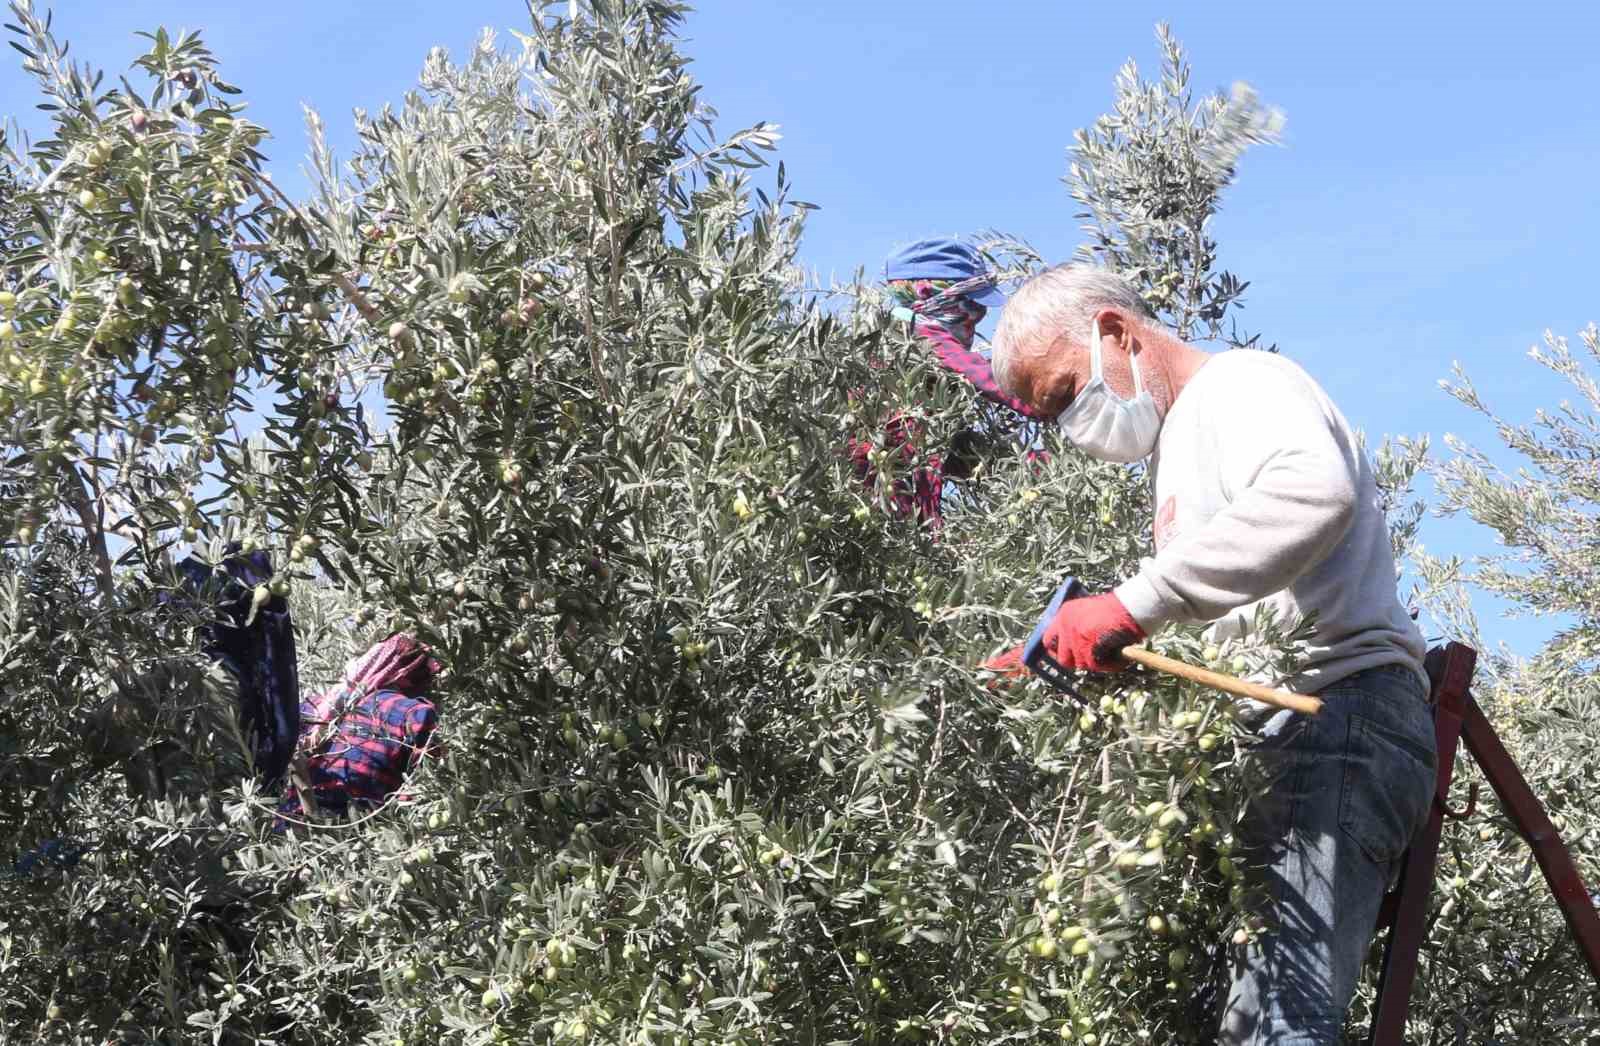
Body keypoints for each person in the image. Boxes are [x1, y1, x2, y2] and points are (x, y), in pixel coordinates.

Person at [984, 262, 1436, 1045]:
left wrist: (1132, 605)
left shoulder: (1240, 385)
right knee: (1254, 1025)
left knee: (1284, 1026)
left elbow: (1312, 492)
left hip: (1336, 716)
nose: (1069, 425)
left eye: (1063, 395)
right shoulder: (1181, 442)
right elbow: (1228, 614)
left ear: (1116, 333)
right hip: (1294, 738)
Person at [852, 238, 1051, 524]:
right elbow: (995, 382)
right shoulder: (916, 339)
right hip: (874, 521)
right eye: (971, 303)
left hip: (909, 528)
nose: (979, 315)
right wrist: (1063, 400)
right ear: (926, 292)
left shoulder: (927, 382)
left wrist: (1047, 466)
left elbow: (967, 456)